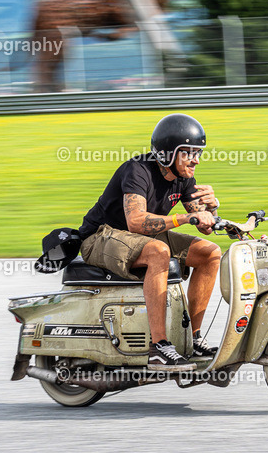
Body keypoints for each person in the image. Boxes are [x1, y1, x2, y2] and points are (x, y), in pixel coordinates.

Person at [77, 113, 221, 371]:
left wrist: (212, 209)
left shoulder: (184, 177)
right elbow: (135, 222)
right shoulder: (138, 169)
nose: (196, 160)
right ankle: (159, 348)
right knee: (158, 251)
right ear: (167, 153)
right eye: (188, 153)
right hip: (100, 236)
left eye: (198, 153)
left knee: (209, 253)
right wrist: (187, 216)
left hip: (136, 238)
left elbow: (205, 225)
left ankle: (194, 338)